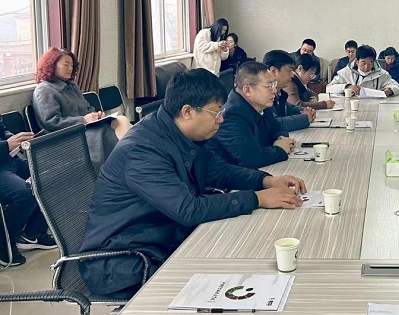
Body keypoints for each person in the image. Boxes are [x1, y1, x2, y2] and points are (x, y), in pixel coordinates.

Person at [80, 68, 306, 298]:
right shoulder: (142, 151)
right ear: (187, 111)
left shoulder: (177, 132)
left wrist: (266, 180)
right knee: (237, 278)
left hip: (163, 239)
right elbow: (188, 210)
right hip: (125, 262)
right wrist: (257, 198)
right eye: (216, 112)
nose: (221, 119)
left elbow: (218, 170)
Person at [32, 47, 132, 169]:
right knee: (108, 131)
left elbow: (87, 107)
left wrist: (96, 115)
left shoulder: (71, 85)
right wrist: (83, 120)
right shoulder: (44, 90)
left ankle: (130, 160)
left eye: (72, 65)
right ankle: (130, 161)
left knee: (121, 120)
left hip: (86, 127)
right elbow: (52, 122)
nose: (70, 68)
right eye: (66, 65)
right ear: (51, 65)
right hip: (69, 136)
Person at [208, 62, 296, 169]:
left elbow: (278, 128)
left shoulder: (262, 104)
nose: (274, 90)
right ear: (247, 90)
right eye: (269, 86)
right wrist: (280, 149)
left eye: (274, 84)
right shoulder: (231, 115)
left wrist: (280, 138)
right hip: (232, 176)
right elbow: (252, 159)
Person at [0, 115, 56, 266]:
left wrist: (15, 139)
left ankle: (32, 234)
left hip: (7, 160)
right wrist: (6, 146)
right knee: (25, 193)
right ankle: (3, 244)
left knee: (52, 175)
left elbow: (2, 129)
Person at [262, 50, 315, 133]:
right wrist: (304, 118)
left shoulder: (279, 93)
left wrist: (305, 110)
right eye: (289, 70)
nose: (292, 75)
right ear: (273, 71)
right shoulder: (263, 94)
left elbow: (289, 108)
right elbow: (274, 123)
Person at [328, 45, 399, 96]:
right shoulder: (346, 72)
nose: (366, 67)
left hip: (374, 107)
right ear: (357, 61)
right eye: (363, 63)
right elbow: (329, 88)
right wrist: (347, 86)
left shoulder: (381, 74)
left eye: (370, 63)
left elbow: (397, 87)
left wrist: (389, 90)